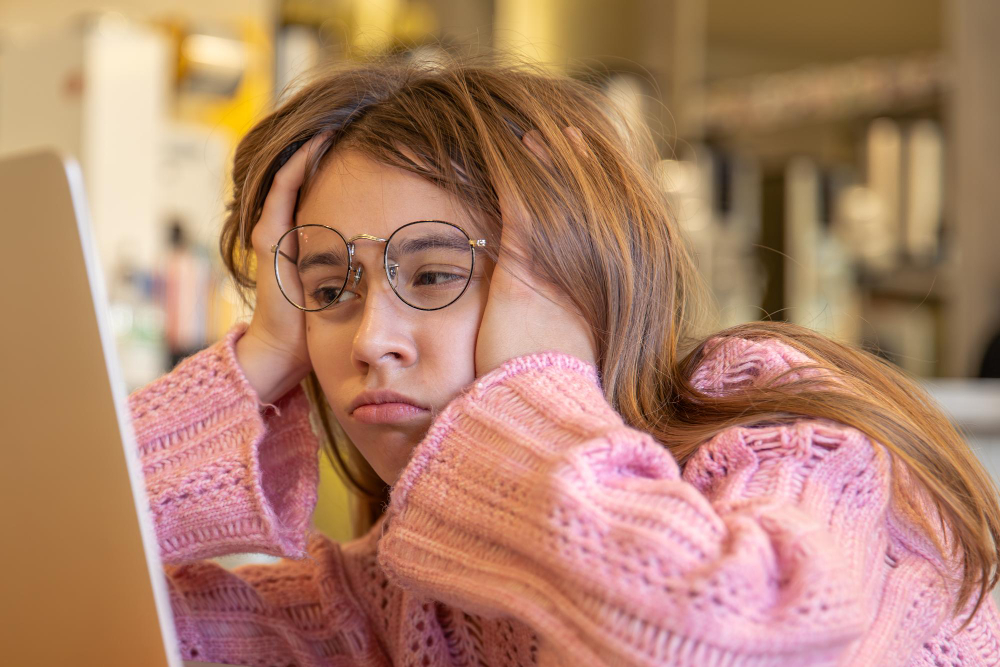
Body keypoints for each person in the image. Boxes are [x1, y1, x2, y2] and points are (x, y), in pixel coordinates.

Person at [128, 52, 1000, 666]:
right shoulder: (406, 590)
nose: (369, 339)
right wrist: (259, 359)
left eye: (434, 273)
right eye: (329, 290)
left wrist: (529, 391)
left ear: (573, 282)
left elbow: (739, 636)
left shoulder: (781, 423)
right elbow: (74, 609)